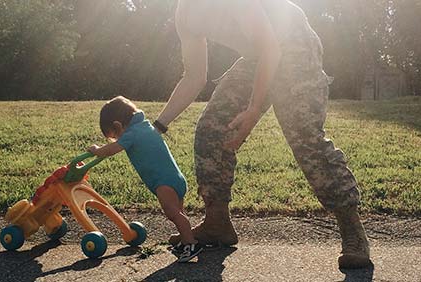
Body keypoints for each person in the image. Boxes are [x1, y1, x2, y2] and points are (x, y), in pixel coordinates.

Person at [151, 0, 373, 269]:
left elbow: (272, 48)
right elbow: (194, 76)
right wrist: (159, 125)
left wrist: (254, 109)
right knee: (212, 129)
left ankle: (352, 230)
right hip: (258, 55)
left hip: (295, 45)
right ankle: (217, 222)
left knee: (304, 137)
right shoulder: (184, 15)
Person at [87, 96, 202, 263]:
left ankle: (191, 243)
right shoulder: (146, 126)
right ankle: (185, 239)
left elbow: (112, 150)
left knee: (173, 214)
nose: (116, 139)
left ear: (118, 126)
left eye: (114, 136)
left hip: (164, 183)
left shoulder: (131, 134)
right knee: (179, 212)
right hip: (174, 178)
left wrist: (97, 150)